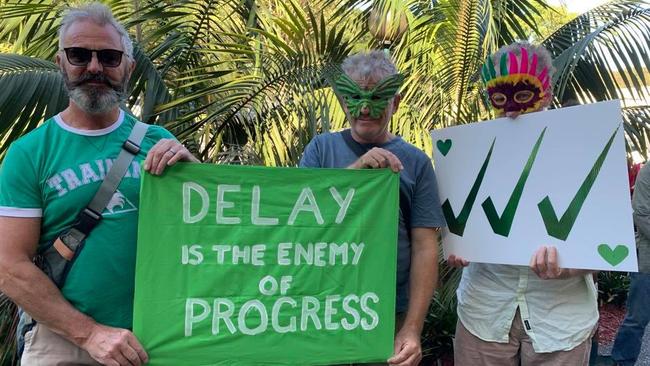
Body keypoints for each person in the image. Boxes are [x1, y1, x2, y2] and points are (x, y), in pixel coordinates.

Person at [0, 3, 198, 365]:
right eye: (80, 55)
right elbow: (9, 266)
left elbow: (208, 234)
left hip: (157, 338)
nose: (94, 67)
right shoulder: (29, 153)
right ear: (61, 61)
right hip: (64, 341)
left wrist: (194, 172)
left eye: (109, 57)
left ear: (128, 67)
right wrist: (89, 333)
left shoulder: (159, 141)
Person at [448, 42, 598, 366]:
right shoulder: (470, 152)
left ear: (546, 93)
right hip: (483, 313)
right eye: (500, 98)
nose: (512, 109)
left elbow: (607, 239)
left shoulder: (583, 146)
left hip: (560, 322)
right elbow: (453, 225)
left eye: (524, 95)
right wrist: (457, 244)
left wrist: (575, 263)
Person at [300, 50, 446, 366]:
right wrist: (356, 172)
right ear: (341, 100)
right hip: (320, 308)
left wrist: (411, 328)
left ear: (396, 101)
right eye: (354, 97)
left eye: (378, 98)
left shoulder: (417, 163)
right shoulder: (320, 150)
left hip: (386, 313)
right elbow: (300, 220)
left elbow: (425, 246)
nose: (365, 108)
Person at [611, 161, 650, 366]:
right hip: (648, 263)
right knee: (637, 319)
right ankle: (622, 361)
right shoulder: (649, 171)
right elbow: (641, 213)